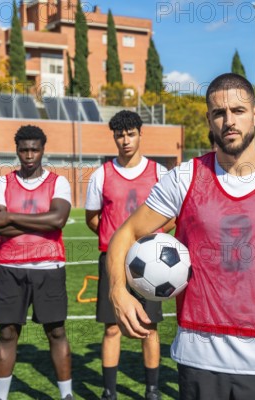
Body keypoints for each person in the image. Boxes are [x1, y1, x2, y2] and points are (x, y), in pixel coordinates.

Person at [107, 73, 255, 400]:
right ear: (209, 119)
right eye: (219, 113)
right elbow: (126, 233)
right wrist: (118, 291)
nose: (229, 121)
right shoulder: (185, 178)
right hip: (198, 358)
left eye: (238, 111)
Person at [85, 110, 172, 400]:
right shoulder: (101, 175)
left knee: (149, 327)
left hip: (152, 263)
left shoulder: (160, 173)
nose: (125, 140)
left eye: (130, 133)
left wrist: (150, 241)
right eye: (119, 135)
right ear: (114, 137)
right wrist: (117, 243)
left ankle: (152, 390)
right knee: (112, 328)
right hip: (114, 262)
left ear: (140, 134)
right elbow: (93, 219)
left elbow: (172, 215)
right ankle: (109, 392)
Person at [0, 125, 74, 400]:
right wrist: (42, 223)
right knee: (8, 334)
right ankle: (1, 397)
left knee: (57, 332)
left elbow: (58, 220)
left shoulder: (59, 182)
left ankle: (66, 395)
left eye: (35, 149)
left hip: (50, 267)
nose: (29, 155)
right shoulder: (1, 183)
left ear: (43, 150)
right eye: (24, 150)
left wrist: (11, 216)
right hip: (10, 268)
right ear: (17, 151)